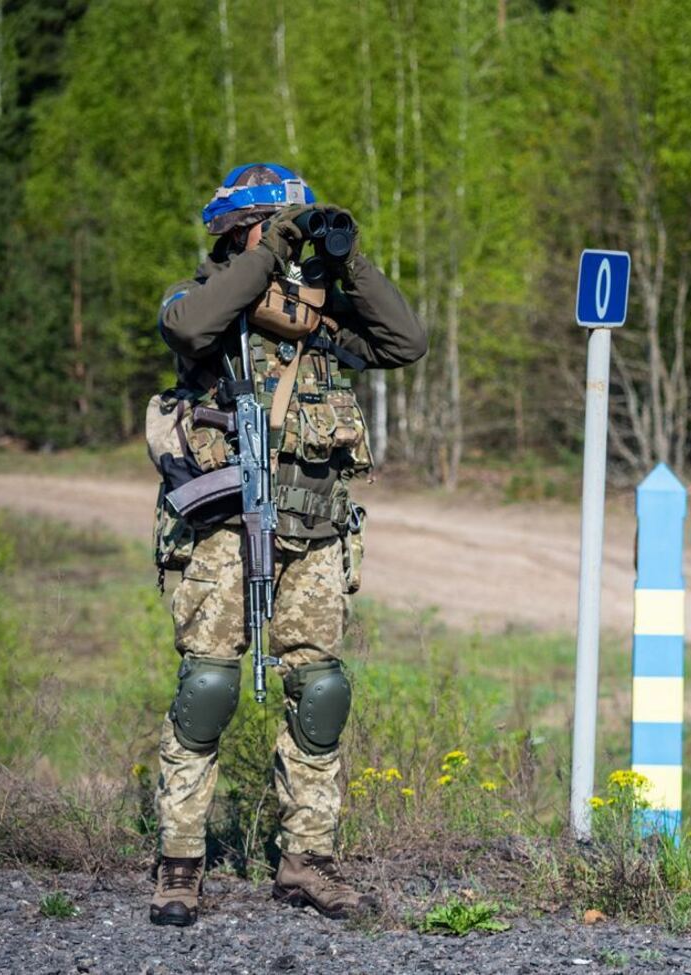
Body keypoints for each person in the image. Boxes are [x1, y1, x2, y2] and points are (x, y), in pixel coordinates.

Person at [146, 162, 425, 927]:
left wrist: (348, 262)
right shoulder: (201, 299)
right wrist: (266, 254)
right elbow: (190, 327)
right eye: (271, 225)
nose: (288, 242)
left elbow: (407, 340)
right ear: (235, 231)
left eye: (290, 226)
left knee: (322, 692)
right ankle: (179, 861)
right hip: (224, 530)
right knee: (208, 690)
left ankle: (308, 859)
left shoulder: (319, 311)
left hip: (315, 529)